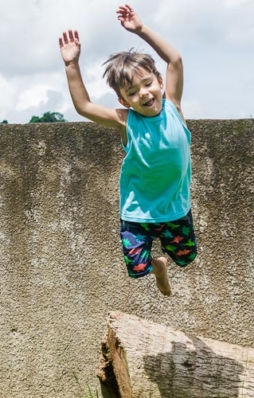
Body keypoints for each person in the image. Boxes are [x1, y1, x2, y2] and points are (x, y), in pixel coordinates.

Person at [59, 4, 197, 297]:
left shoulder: (173, 106)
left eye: (148, 84)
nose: (143, 94)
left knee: (186, 258)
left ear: (159, 82)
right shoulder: (126, 121)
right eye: (132, 92)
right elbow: (84, 107)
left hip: (174, 208)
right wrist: (72, 65)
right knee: (137, 268)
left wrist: (140, 29)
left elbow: (175, 59)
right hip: (138, 211)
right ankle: (156, 265)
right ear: (123, 101)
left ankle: (165, 263)